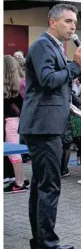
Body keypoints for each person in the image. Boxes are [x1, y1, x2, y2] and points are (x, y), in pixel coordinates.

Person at [19, 3, 81, 249]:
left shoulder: (52, 46)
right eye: (68, 21)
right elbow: (47, 80)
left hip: (47, 124)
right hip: (44, 127)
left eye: (75, 22)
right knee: (49, 188)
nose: (73, 27)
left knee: (40, 187)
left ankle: (41, 244)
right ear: (52, 22)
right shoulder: (43, 45)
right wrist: (75, 66)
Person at [4, 55, 29, 194]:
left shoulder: (11, 87)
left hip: (12, 121)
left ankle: (20, 183)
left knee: (13, 153)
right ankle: (22, 179)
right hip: (16, 120)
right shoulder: (20, 84)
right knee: (13, 152)